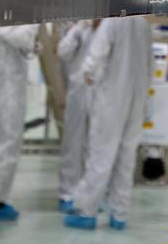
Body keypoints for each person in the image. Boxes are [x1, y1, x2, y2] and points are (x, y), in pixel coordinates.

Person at [64, 16, 153, 231]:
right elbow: (151, 64)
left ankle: (87, 211)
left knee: (100, 157)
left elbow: (94, 58)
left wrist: (87, 76)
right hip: (136, 99)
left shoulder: (112, 22)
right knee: (126, 158)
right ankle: (119, 215)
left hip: (111, 99)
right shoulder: (143, 25)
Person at [0, 23, 39, 222]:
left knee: (1, 141)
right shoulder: (4, 15)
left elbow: (20, 40)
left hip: (8, 85)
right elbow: (18, 36)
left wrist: (32, 43)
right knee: (8, 143)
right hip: (7, 89)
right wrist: (36, 24)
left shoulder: (6, 13)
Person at [57, 19, 95, 212]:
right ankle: (67, 194)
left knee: (94, 145)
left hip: (100, 92)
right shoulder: (77, 26)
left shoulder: (108, 26)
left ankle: (90, 193)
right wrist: (78, 29)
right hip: (78, 89)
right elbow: (63, 51)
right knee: (73, 143)